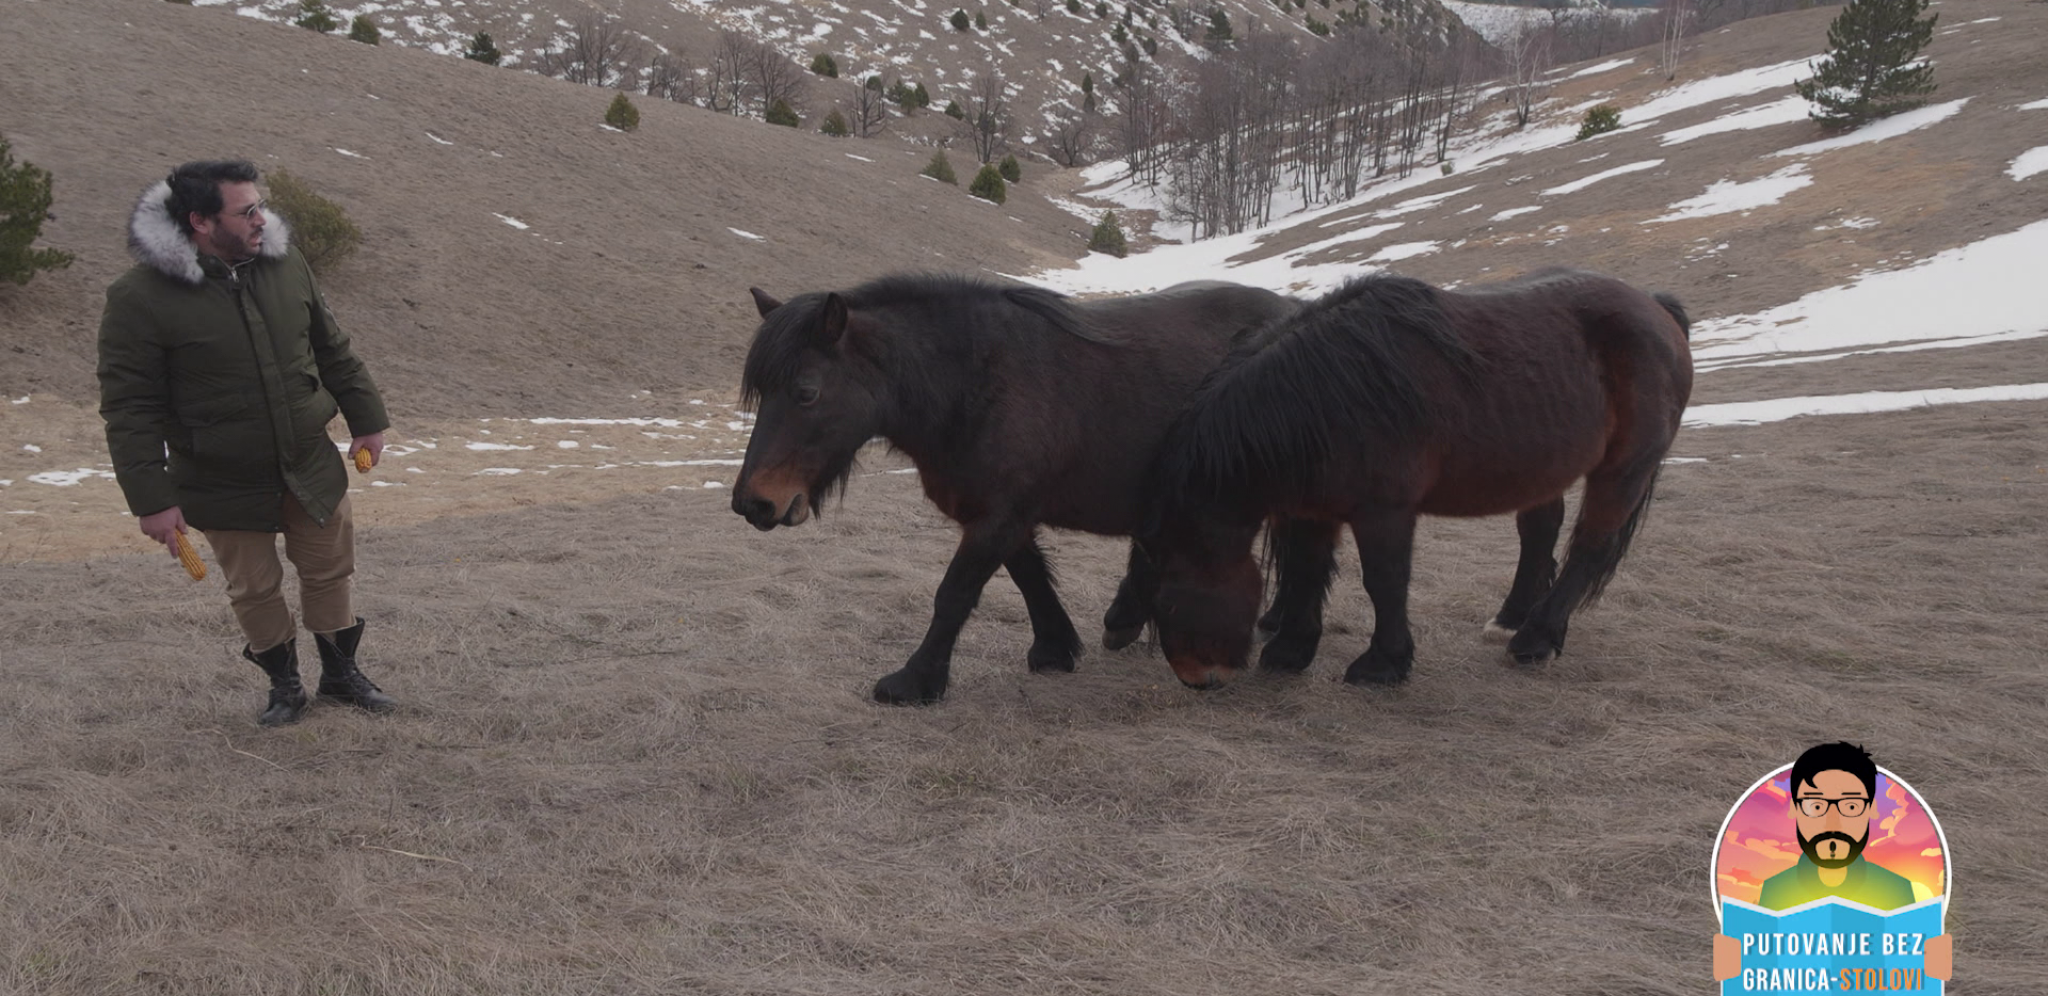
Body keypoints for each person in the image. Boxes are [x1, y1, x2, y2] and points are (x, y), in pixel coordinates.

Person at [97, 159, 396, 726]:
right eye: (247, 211)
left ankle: (340, 677)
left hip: (308, 462)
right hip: (219, 477)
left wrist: (367, 419)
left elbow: (331, 348)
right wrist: (152, 500)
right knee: (254, 589)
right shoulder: (139, 297)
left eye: (261, 205)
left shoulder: (287, 265)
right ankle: (286, 686)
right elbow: (129, 408)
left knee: (330, 571)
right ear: (200, 221)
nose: (263, 219)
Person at [1757, 741, 1916, 911]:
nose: (1832, 824)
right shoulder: (1775, 889)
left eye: (1851, 807)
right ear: (1794, 809)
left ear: (1871, 809)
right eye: (1816, 807)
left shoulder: (1896, 889)